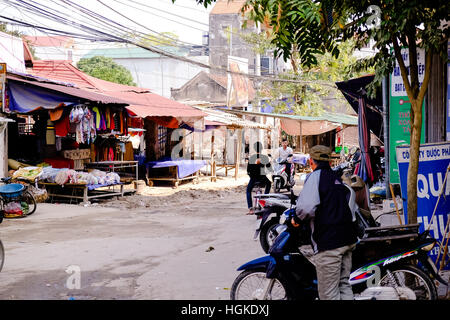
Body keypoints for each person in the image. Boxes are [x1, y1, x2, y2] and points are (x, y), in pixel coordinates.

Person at [291, 145, 358, 300]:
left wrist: (296, 219)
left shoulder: (315, 176)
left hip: (329, 243)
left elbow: (306, 208)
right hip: (347, 239)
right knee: (343, 285)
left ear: (311, 161)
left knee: (329, 294)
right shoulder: (336, 177)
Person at [246, 142, 271, 215]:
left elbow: (248, 171)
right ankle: (265, 200)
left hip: (253, 179)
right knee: (269, 184)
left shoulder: (251, 158)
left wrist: (251, 177)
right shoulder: (264, 157)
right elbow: (269, 168)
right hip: (262, 178)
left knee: (248, 191)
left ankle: (250, 208)